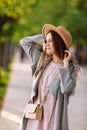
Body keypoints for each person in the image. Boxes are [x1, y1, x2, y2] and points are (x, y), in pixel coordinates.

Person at [19, 24, 80, 130]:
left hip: (52, 122)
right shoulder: (42, 61)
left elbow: (66, 89)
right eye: (46, 41)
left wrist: (65, 66)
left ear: (59, 42)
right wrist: (46, 37)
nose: (46, 44)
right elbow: (24, 42)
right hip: (34, 116)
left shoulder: (71, 69)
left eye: (51, 41)